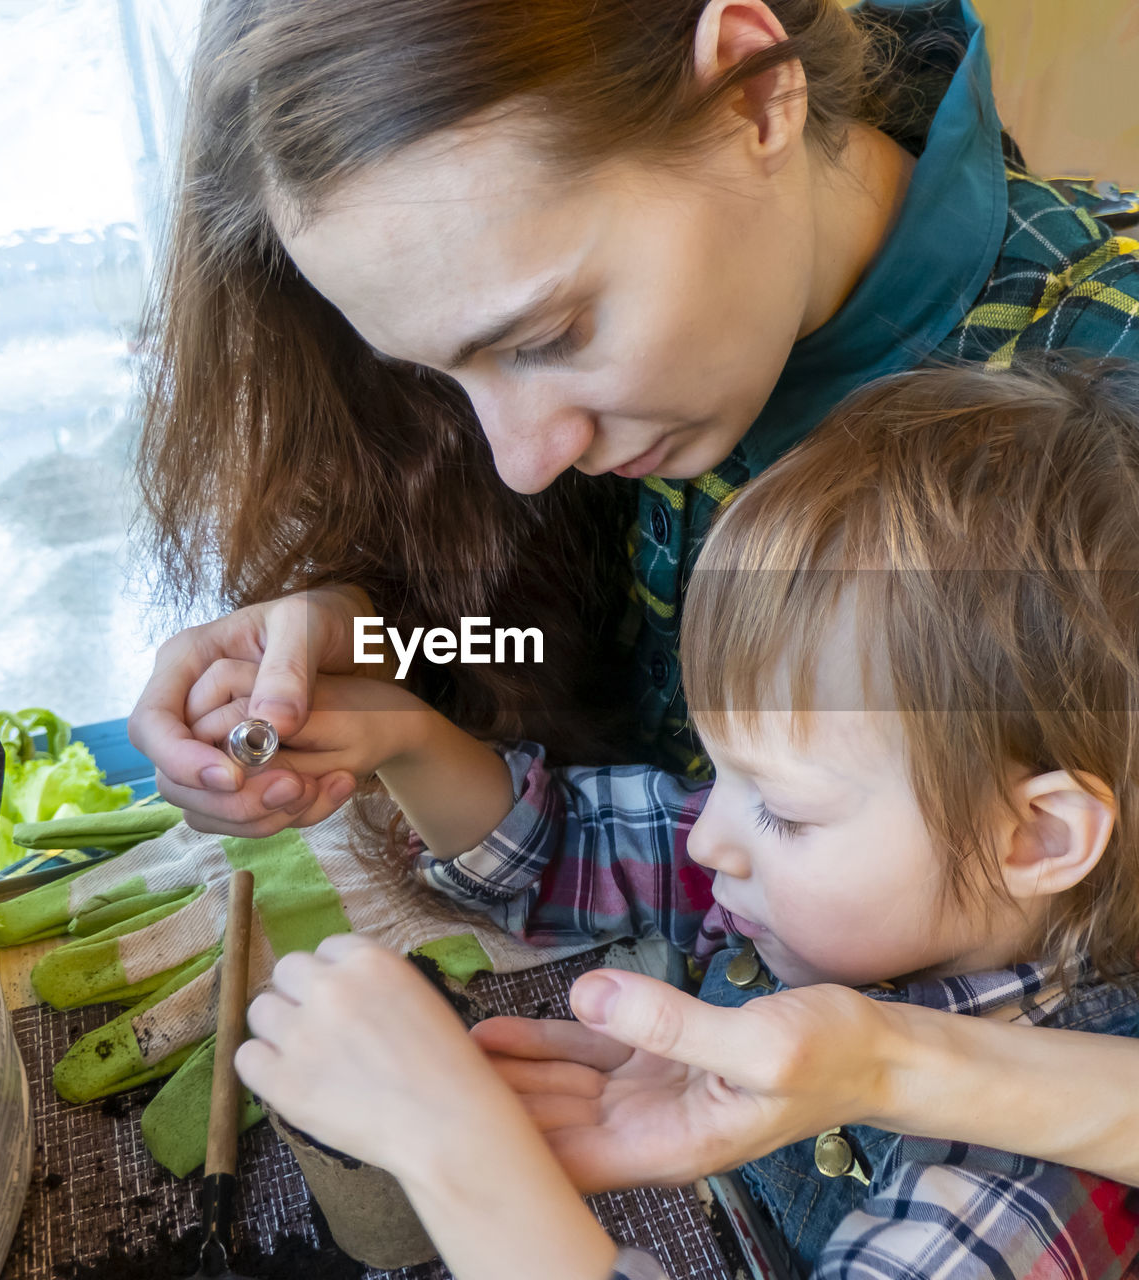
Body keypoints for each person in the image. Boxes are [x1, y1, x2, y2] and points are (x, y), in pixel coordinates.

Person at [129, 0, 1139, 1181]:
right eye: (440, 376)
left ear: (753, 94)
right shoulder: (644, 390)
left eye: (548, 334)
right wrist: (380, 641)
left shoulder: (1096, 377)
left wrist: (884, 1067)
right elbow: (602, 682)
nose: (517, 457)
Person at [235, 358, 1139, 1280]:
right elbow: (565, 850)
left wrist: (464, 1162)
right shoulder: (822, 890)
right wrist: (403, 735)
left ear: (1037, 837)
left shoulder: (1025, 1192)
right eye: (720, 769)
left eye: (782, 810)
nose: (710, 838)